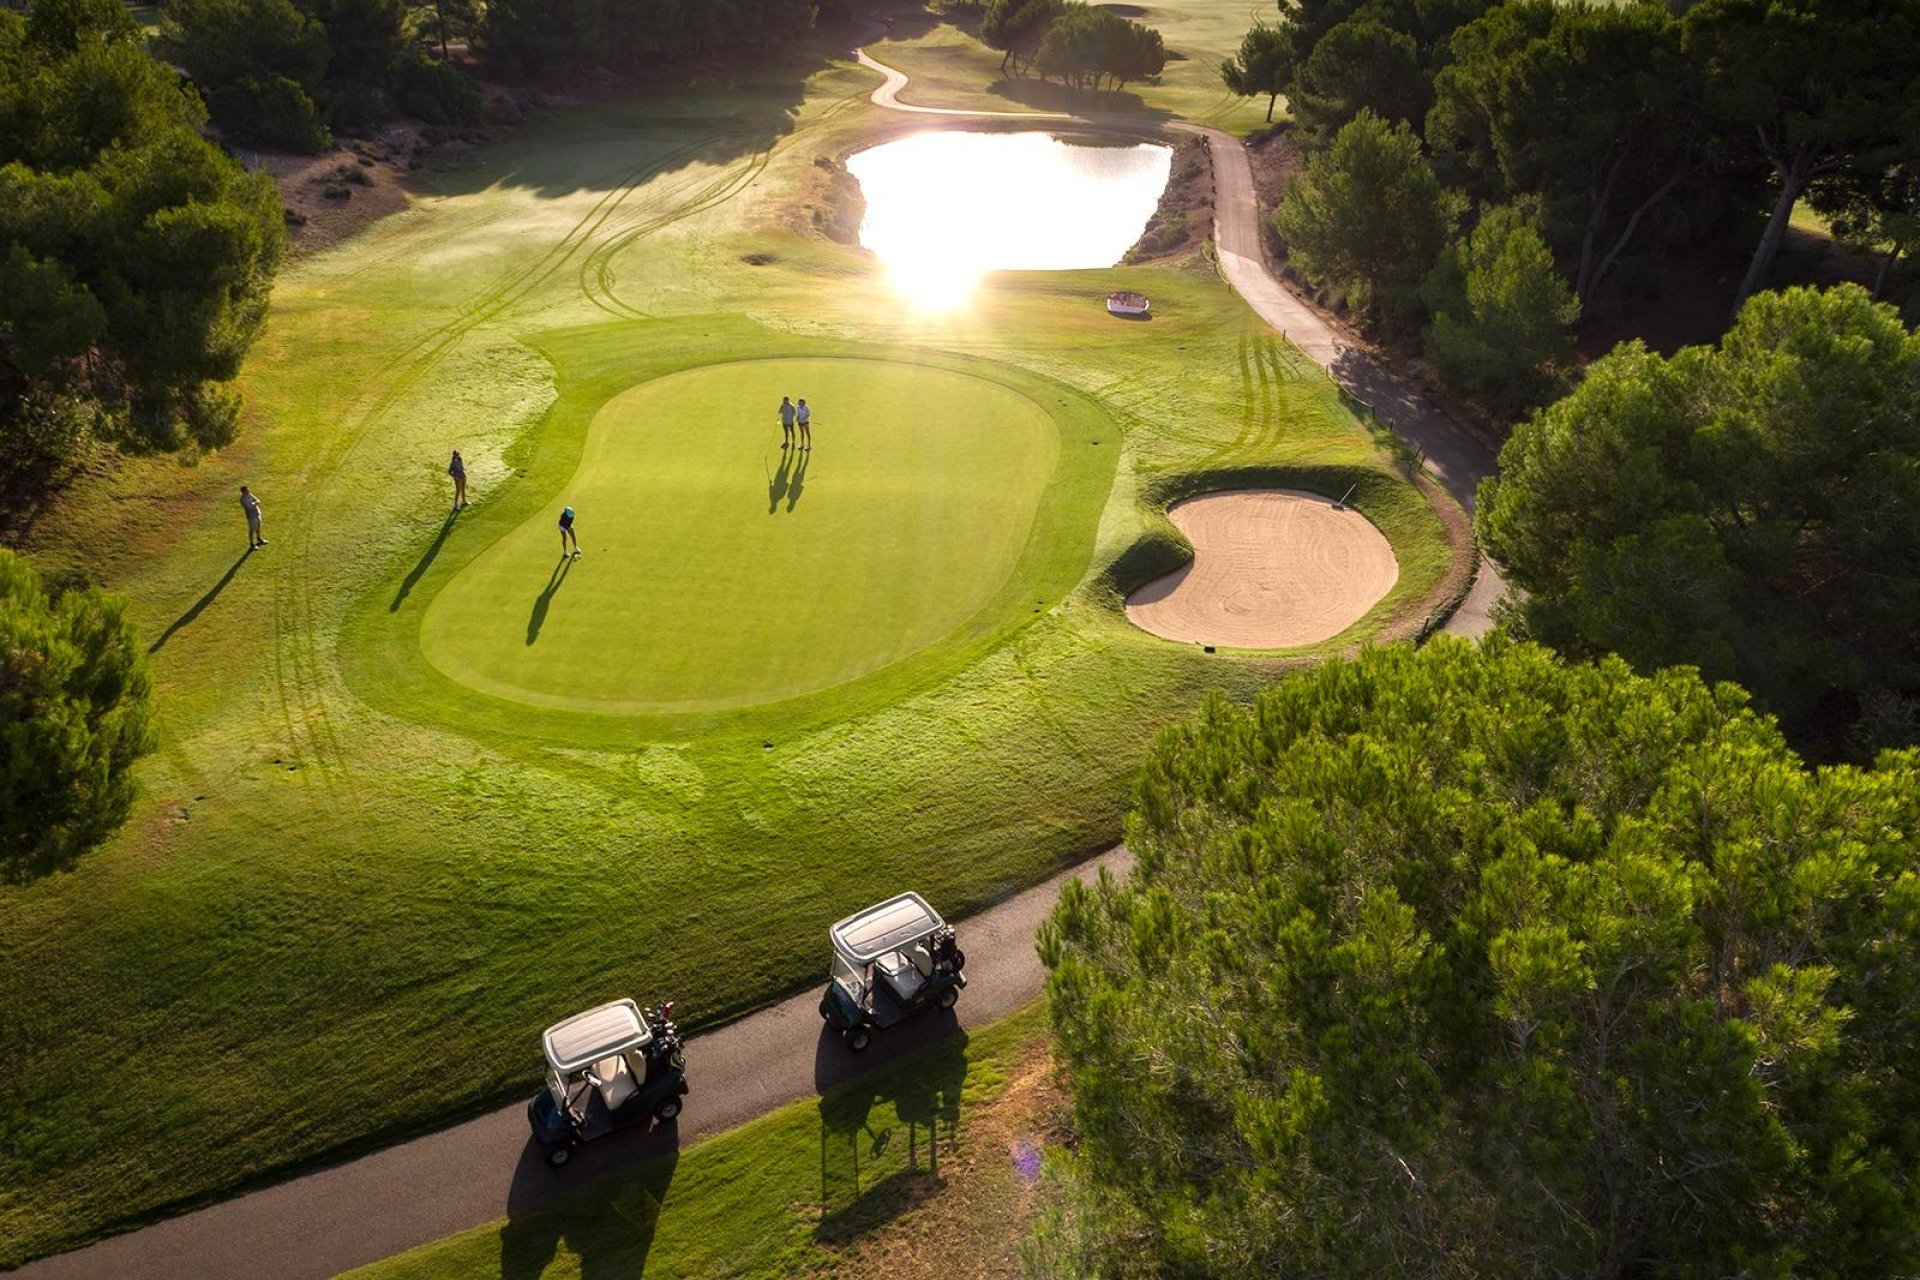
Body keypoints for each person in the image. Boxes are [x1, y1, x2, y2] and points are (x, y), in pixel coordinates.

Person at [240, 485, 266, 549]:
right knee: (252, 530)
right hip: (251, 516)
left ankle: (259, 539)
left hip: (257, 513)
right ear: (243, 492)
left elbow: (257, 500)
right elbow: (249, 507)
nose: (249, 491)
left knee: (258, 527)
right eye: (247, 490)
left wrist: (254, 503)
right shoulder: (242, 499)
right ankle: (252, 544)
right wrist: (255, 503)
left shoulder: (249, 494)